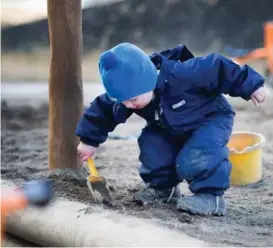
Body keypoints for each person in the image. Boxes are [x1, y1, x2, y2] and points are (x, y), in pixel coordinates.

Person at [75, 43, 266, 216]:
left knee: (197, 155)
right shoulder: (129, 94)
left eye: (133, 99)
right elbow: (104, 109)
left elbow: (219, 67)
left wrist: (251, 86)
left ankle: (211, 197)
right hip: (169, 126)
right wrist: (88, 140)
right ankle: (163, 189)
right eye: (123, 101)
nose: (129, 105)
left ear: (148, 80)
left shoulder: (183, 74)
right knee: (152, 145)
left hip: (210, 119)